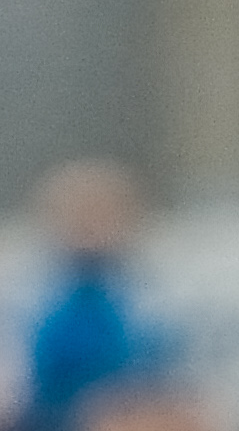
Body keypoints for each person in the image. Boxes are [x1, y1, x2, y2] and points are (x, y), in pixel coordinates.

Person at [11, 168, 192, 431]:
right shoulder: (31, 296)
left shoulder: (149, 298)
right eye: (79, 214)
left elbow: (167, 380)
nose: (89, 227)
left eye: (100, 214)